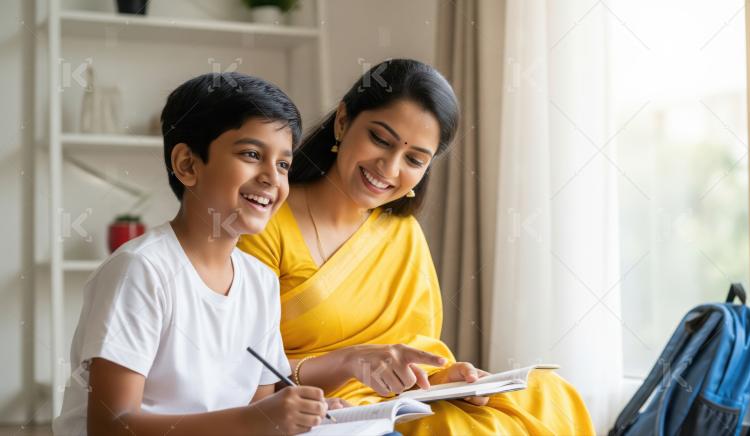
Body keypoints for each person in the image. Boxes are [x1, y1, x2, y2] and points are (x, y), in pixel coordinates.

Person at [238, 59, 596, 435]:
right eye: (380, 139)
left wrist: (447, 377)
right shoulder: (264, 222)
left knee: (549, 392)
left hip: (404, 403)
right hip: (326, 407)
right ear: (343, 121)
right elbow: (243, 374)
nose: (389, 169)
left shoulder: (402, 231)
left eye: (413, 159)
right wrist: (347, 363)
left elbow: (416, 353)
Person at [53, 72, 341, 436]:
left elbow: (259, 409)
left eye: (284, 164)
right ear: (188, 165)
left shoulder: (261, 281)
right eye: (252, 154)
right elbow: (110, 426)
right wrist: (257, 419)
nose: (273, 177)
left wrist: (300, 416)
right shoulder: (140, 270)